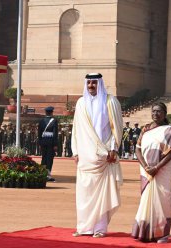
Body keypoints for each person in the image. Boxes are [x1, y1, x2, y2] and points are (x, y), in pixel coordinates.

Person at [71, 73, 123, 238]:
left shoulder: (110, 101)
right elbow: (76, 129)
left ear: (100, 83)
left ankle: (99, 229)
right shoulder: (80, 103)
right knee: (84, 194)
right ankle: (84, 227)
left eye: (94, 82)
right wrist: (75, 151)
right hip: (85, 157)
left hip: (104, 155)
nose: (91, 85)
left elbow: (117, 128)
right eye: (89, 82)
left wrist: (113, 149)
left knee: (102, 194)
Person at [132, 102, 171, 243]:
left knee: (163, 199)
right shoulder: (145, 129)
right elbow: (137, 149)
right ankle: (145, 232)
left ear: (165, 113)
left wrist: (157, 167)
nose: (156, 114)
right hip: (146, 171)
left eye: (159, 111)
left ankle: (162, 234)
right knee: (146, 199)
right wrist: (146, 166)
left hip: (164, 171)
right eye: (153, 111)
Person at [38, 106, 59, 181]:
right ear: (52, 112)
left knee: (44, 158)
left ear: (45, 112)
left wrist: (40, 143)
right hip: (50, 142)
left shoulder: (42, 121)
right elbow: (55, 133)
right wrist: (55, 144)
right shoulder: (54, 121)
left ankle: (42, 173)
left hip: (43, 141)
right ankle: (48, 175)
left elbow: (39, 133)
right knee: (49, 158)